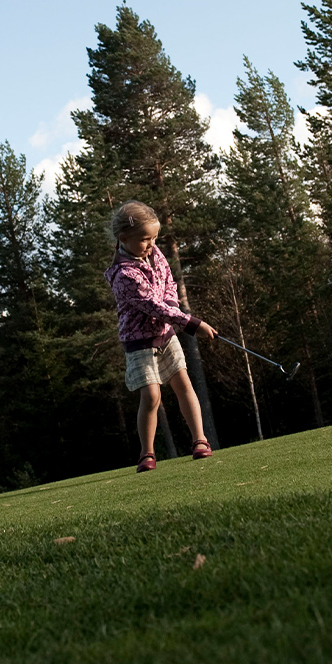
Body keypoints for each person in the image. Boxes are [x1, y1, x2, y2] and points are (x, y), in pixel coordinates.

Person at [105, 201, 218, 472]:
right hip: (139, 343)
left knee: (183, 384)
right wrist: (192, 323)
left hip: (166, 335)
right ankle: (147, 453)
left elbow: (168, 282)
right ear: (124, 239)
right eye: (145, 239)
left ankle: (200, 441)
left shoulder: (155, 254)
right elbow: (152, 307)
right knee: (152, 396)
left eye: (154, 238)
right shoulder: (124, 275)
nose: (151, 244)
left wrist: (174, 305)